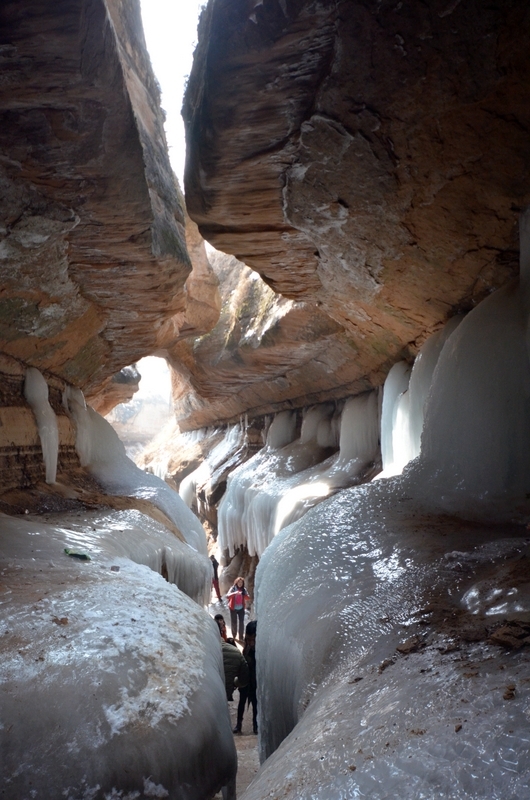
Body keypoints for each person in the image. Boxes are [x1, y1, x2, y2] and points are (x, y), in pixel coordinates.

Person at [233, 619, 258, 735]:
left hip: (254, 681)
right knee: (242, 702)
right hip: (246, 680)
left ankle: (256, 726)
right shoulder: (247, 648)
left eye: (252, 639)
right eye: (248, 639)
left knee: (255, 704)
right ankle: (239, 725)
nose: (250, 642)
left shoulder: (258, 649)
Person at [226, 577, 250, 642]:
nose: (240, 584)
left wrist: (243, 594)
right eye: (239, 582)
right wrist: (235, 593)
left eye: (241, 582)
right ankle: (234, 635)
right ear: (236, 582)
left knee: (241, 622)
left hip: (241, 608)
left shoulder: (244, 590)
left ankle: (241, 637)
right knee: (234, 622)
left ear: (243, 583)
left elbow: (248, 598)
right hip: (233, 608)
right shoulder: (233, 588)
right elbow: (227, 596)